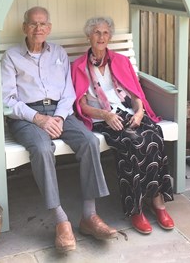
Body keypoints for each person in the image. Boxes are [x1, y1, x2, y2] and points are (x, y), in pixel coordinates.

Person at [1, 6, 117, 252]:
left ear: (49, 28)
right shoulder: (11, 56)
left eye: (43, 24)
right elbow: (8, 101)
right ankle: (61, 220)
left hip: (60, 112)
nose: (38, 29)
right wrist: (39, 119)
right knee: (43, 148)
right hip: (26, 116)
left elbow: (68, 92)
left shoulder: (59, 53)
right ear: (24, 27)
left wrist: (60, 117)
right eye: (33, 24)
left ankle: (89, 216)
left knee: (89, 141)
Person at [71, 16, 175, 235]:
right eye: (97, 32)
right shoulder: (79, 66)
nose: (101, 37)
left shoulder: (120, 61)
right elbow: (81, 105)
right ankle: (136, 209)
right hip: (102, 118)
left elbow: (136, 93)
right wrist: (105, 115)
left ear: (110, 36)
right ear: (89, 35)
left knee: (154, 136)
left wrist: (139, 112)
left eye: (105, 33)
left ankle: (158, 203)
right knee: (132, 143)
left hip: (128, 113)